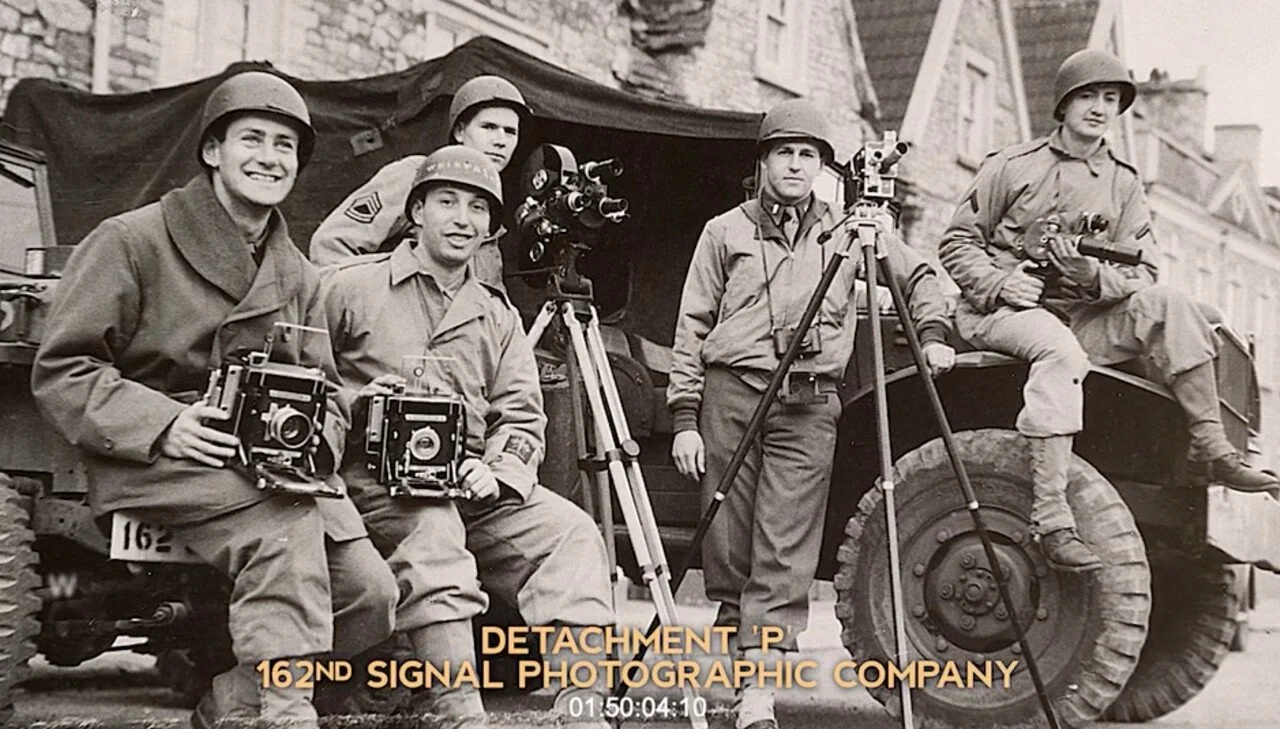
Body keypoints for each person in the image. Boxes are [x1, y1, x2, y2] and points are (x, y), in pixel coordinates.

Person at [29, 71, 398, 729]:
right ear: (211, 151)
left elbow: (328, 393)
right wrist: (167, 423)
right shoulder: (132, 239)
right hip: (155, 455)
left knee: (371, 592)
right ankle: (284, 713)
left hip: (274, 469)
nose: (269, 157)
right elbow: (64, 367)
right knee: (284, 532)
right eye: (251, 139)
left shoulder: (300, 277)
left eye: (285, 146)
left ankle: (235, 697)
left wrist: (314, 445)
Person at [666, 99, 955, 729]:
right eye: (784, 152)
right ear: (764, 160)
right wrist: (686, 416)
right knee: (729, 547)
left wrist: (931, 333)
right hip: (732, 395)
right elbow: (691, 327)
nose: (795, 165)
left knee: (785, 547)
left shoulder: (853, 231)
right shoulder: (725, 232)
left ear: (823, 167)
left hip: (808, 404)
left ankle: (759, 694)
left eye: (809, 155)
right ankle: (740, 671)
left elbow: (923, 275)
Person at [938, 48, 1278, 573]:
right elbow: (958, 241)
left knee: (1176, 305)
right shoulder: (1011, 166)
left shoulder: (1122, 183)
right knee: (1059, 352)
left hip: (1082, 316)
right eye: (1089, 96)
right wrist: (1002, 283)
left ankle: (1212, 447)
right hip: (1004, 313)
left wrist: (1090, 275)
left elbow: (1143, 272)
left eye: (1111, 99)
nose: (1099, 108)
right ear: (1065, 103)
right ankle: (1051, 518)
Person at [323, 145, 615, 727]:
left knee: (573, 536)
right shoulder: (349, 289)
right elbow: (299, 381)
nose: (462, 219)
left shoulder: (496, 315)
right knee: (432, 535)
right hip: (370, 486)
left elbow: (523, 416)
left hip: (468, 484)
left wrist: (498, 470)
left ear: (489, 228)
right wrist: (358, 405)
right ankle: (458, 713)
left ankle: (582, 712)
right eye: (447, 202)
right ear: (417, 213)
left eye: (478, 209)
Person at [309, 74, 528, 288]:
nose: (501, 141)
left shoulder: (490, 209)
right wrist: (370, 310)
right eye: (489, 127)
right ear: (460, 131)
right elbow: (332, 245)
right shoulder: (417, 175)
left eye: (510, 132)